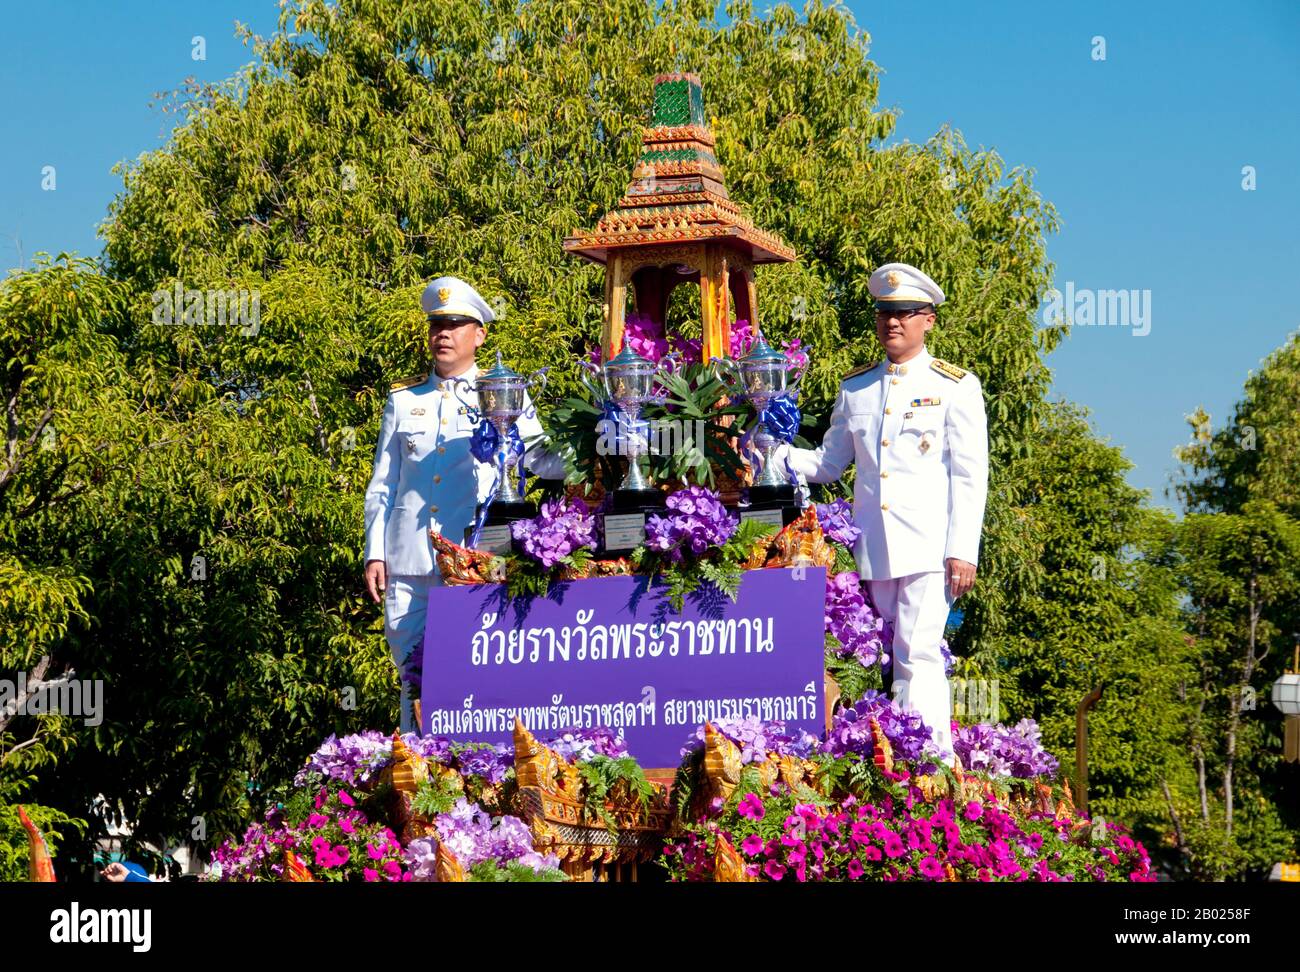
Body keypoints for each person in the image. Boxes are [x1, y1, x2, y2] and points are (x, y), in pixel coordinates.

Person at [779, 262, 989, 766]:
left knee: (917, 652)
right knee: (880, 658)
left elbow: (969, 474)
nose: (892, 322)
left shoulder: (956, 386)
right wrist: (773, 454)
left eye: (905, 313)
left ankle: (931, 766)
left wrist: (963, 551)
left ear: (929, 320)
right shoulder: (856, 389)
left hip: (928, 547)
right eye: (884, 313)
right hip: (871, 547)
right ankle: (886, 756)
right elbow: (830, 464)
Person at [363, 277, 565, 732]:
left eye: (455, 324)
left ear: (480, 334)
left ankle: (473, 773)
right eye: (437, 325)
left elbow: (538, 458)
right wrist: (374, 551)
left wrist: (595, 450)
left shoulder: (504, 392)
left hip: (477, 558)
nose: (444, 334)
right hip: (408, 561)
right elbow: (383, 484)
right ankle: (415, 773)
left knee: (476, 670)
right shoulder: (402, 400)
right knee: (413, 677)